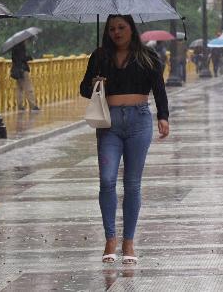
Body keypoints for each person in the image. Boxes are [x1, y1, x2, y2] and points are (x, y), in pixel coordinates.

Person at [79, 15, 170, 265]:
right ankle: (110, 238)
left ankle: (128, 241)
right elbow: (83, 89)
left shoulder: (147, 57)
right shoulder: (99, 57)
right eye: (111, 29)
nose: (116, 33)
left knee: (132, 184)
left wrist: (163, 116)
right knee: (107, 180)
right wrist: (95, 83)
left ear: (131, 29)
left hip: (139, 120)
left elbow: (159, 88)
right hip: (109, 124)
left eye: (121, 28)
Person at [10, 41, 39, 111]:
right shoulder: (21, 47)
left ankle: (20, 106)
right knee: (29, 88)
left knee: (19, 89)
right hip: (22, 70)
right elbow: (22, 58)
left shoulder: (14, 48)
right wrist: (29, 57)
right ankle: (33, 105)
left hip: (16, 70)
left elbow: (15, 59)